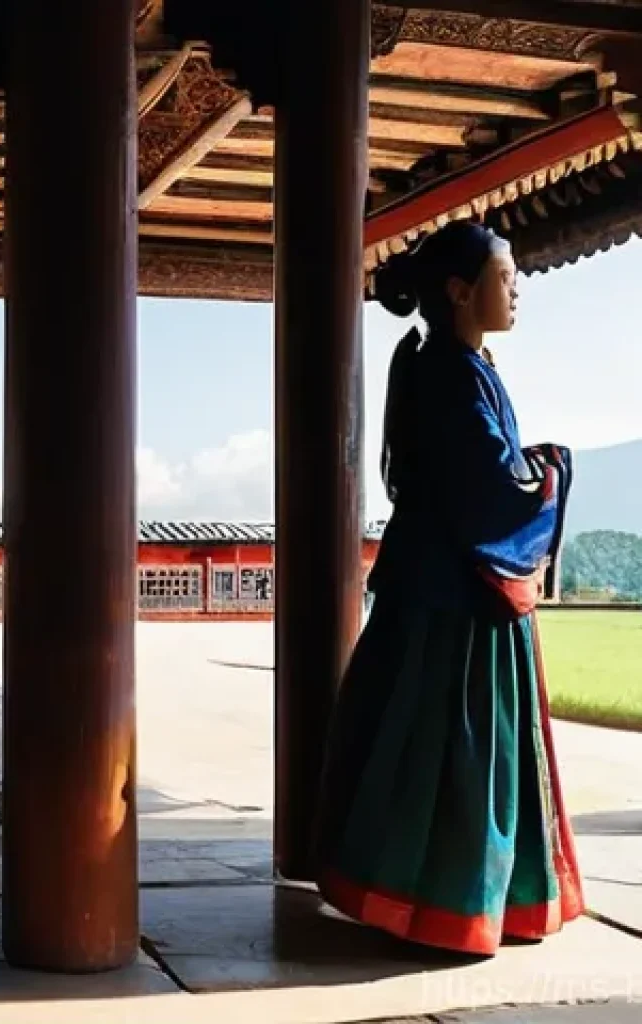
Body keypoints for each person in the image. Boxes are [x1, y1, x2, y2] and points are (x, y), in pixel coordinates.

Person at [314, 220, 583, 957]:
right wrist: (550, 474)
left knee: (425, 748)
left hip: (434, 586)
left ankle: (442, 901)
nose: (517, 289)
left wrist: (526, 468)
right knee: (458, 753)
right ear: (461, 291)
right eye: (506, 277)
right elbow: (488, 488)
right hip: (456, 601)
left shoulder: (451, 364)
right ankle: (444, 908)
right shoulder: (451, 373)